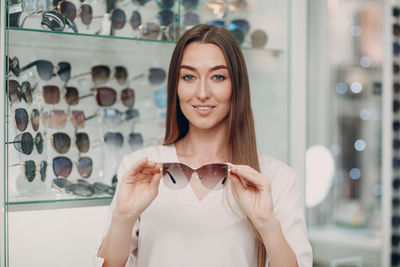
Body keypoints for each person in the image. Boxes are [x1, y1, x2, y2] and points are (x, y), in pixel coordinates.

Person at [95, 24, 312, 267]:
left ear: (236, 86)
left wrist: (267, 224)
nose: (202, 93)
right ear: (175, 87)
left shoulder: (275, 179)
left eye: (218, 77)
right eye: (189, 77)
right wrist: (123, 218)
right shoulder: (140, 170)